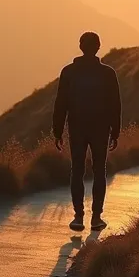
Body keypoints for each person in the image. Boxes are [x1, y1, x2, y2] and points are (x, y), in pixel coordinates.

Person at [53, 31, 122, 232]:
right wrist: (115, 131)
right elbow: (115, 105)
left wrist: (57, 131)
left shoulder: (69, 72)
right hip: (101, 129)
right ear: (98, 47)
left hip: (77, 128)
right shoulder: (108, 73)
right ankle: (96, 217)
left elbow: (60, 104)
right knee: (99, 171)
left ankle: (78, 216)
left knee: (77, 171)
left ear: (80, 46)